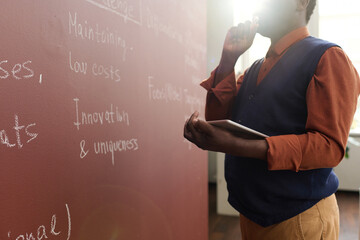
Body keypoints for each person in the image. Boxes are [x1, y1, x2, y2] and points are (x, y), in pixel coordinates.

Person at [183, 0, 360, 239]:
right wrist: (228, 61)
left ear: (301, 2)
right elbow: (217, 119)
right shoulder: (255, 68)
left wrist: (237, 146)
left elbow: (329, 147)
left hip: (299, 218)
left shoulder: (328, 57)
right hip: (253, 214)